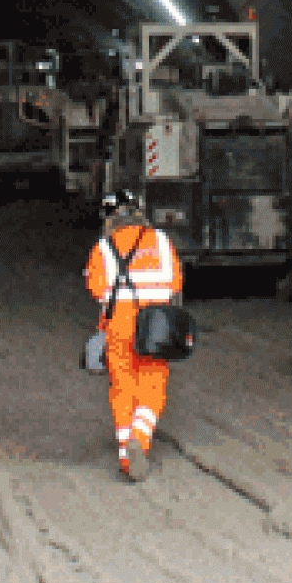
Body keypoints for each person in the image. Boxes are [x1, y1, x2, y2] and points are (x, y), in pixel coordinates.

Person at [84, 190, 182, 482]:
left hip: (119, 325)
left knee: (122, 388)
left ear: (110, 217)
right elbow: (175, 282)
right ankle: (140, 437)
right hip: (156, 324)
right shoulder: (163, 242)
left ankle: (127, 457)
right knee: (152, 386)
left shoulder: (103, 247)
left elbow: (96, 288)